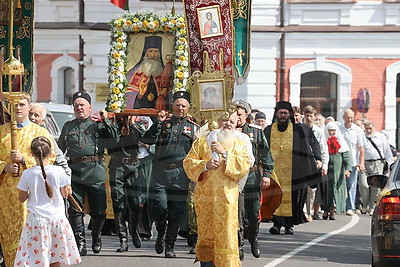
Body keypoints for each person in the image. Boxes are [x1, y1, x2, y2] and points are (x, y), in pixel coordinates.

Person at [183, 112, 252, 267]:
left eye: (231, 121)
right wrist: (205, 165)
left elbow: (243, 167)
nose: (228, 124)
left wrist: (225, 154)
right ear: (218, 121)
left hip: (227, 200)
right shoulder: (202, 142)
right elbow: (188, 163)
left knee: (226, 236)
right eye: (225, 120)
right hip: (205, 199)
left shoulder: (239, 144)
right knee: (206, 235)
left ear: (236, 124)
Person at [0, 92, 55, 267]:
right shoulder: (2, 131)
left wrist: (24, 160)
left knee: (30, 235)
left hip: (32, 194)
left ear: (29, 107)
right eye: (14, 104)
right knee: (8, 234)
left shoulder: (39, 132)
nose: (18, 108)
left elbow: (50, 159)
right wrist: (4, 167)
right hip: (6, 194)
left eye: (22, 104)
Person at [58, 91, 114, 256]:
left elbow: (113, 140)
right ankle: (80, 243)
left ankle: (96, 235)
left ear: (90, 107)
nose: (79, 108)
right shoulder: (68, 126)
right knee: (75, 209)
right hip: (75, 172)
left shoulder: (97, 124)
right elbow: (60, 150)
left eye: (82, 105)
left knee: (99, 211)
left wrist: (107, 121)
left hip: (95, 171)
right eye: (76, 105)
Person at [144, 91, 198, 258]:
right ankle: (160, 232)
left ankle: (170, 245)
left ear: (188, 108)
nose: (180, 108)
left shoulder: (193, 127)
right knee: (159, 206)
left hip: (181, 173)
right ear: (172, 106)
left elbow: (196, 152)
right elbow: (147, 139)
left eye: (183, 106)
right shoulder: (164, 123)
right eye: (177, 105)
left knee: (176, 211)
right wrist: (157, 125)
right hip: (161, 171)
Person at [15, 136, 81, 267]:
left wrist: (31, 191)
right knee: (55, 257)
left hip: (37, 221)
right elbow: (65, 193)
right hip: (57, 220)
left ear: (31, 153)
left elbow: (21, 198)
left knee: (36, 257)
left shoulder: (28, 174)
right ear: (50, 153)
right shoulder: (59, 171)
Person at [264, 101, 320, 235]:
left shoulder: (298, 130)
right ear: (276, 114)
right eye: (280, 113)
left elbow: (307, 149)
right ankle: (277, 224)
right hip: (274, 172)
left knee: (293, 199)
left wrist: (313, 164)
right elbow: (263, 149)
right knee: (276, 197)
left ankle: (289, 225)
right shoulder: (268, 130)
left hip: (294, 172)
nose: (283, 116)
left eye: (285, 113)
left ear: (289, 114)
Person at [234, 100, 274, 259]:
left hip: (252, 176)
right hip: (235, 178)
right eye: (234, 114)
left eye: (239, 114)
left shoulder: (255, 131)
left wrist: (267, 174)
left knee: (253, 212)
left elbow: (265, 153)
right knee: (238, 213)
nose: (237, 118)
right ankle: (239, 247)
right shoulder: (228, 131)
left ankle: (253, 239)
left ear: (246, 115)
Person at [106, 114, 147, 252]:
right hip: (117, 165)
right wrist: (112, 122)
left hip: (134, 165)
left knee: (136, 202)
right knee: (118, 202)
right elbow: (110, 140)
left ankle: (133, 228)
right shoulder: (112, 125)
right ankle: (123, 239)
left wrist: (133, 123)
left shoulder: (137, 125)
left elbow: (146, 137)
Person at [126, 36, 173, 110]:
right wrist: (139, 94)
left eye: (156, 51)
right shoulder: (135, 72)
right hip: (139, 111)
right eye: (150, 51)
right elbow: (128, 95)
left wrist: (165, 93)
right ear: (145, 53)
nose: (153, 55)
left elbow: (171, 95)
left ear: (159, 53)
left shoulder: (165, 72)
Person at [359, 120, 394, 215]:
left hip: (377, 163)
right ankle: (364, 204)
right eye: (366, 129)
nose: (368, 131)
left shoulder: (381, 137)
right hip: (364, 163)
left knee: (375, 186)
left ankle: (372, 207)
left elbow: (387, 152)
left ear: (374, 128)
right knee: (363, 185)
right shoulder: (362, 137)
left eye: (370, 128)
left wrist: (391, 165)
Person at [29, 103, 72, 180]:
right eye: (30, 114)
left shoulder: (46, 136)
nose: (32, 117)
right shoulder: (18, 133)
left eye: (36, 115)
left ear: (42, 122)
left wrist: (67, 183)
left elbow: (60, 160)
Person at [302, 105, 328, 221]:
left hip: (314, 162)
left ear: (314, 117)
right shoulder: (300, 129)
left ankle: (309, 211)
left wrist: (324, 164)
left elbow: (323, 149)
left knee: (312, 189)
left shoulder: (319, 131)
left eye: (311, 116)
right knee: (301, 187)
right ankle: (302, 211)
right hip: (302, 162)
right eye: (307, 115)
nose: (309, 118)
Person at [323, 122, 352, 219]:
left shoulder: (341, 142)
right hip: (325, 172)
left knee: (335, 191)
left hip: (338, 172)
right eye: (329, 130)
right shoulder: (323, 140)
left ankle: (332, 211)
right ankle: (325, 210)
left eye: (333, 131)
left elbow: (347, 158)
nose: (331, 133)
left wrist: (348, 169)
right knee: (326, 191)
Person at [339, 109, 366, 216]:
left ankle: (350, 207)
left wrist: (361, 162)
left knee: (351, 185)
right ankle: (339, 206)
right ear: (343, 118)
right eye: (348, 117)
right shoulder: (339, 129)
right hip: (340, 161)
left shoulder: (358, 130)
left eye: (351, 117)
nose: (350, 119)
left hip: (353, 162)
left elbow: (361, 148)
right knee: (339, 184)